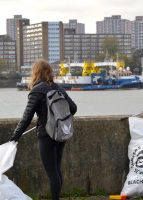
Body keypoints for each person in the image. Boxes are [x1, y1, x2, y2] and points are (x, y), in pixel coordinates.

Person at [10, 59, 77, 200]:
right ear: (49, 72)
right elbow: (73, 108)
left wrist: (15, 136)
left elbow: (27, 117)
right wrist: (58, 115)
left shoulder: (37, 90)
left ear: (36, 72)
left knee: (52, 173)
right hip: (60, 133)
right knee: (57, 170)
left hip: (46, 135)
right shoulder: (58, 87)